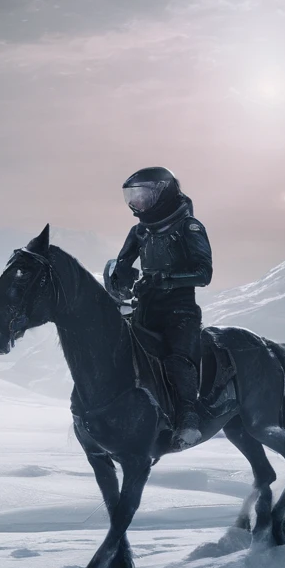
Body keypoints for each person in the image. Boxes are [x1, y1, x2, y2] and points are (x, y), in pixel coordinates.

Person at [104, 166, 212, 448]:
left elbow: (204, 273)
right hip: (145, 307)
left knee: (177, 358)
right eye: (132, 196)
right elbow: (123, 265)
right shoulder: (139, 232)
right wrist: (117, 282)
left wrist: (168, 279)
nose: (136, 203)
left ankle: (188, 416)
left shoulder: (190, 228)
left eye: (142, 195)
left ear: (162, 194)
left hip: (180, 312)